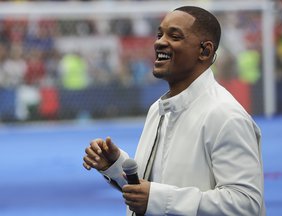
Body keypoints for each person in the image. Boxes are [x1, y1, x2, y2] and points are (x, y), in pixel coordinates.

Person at [83, 6, 265, 216]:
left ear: (205, 51)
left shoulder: (225, 115)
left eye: (175, 36)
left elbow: (245, 204)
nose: (159, 42)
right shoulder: (158, 110)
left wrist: (157, 198)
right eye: (159, 34)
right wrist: (116, 166)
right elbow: (155, 187)